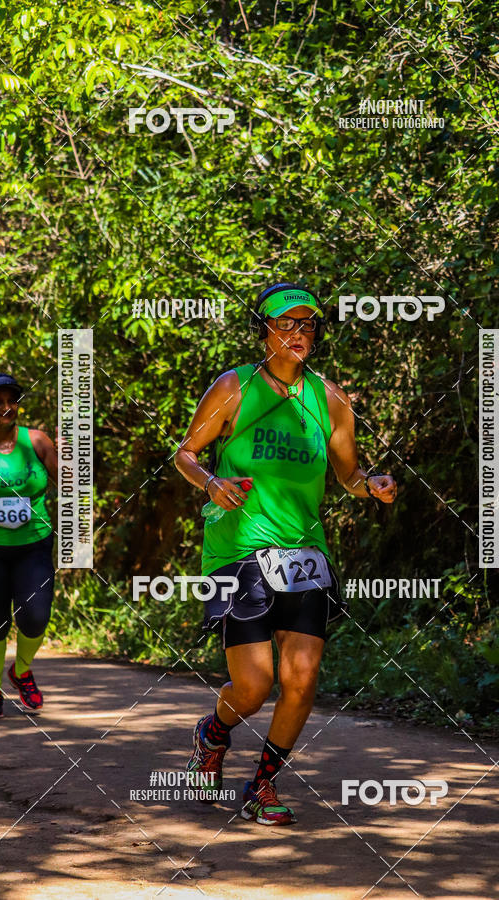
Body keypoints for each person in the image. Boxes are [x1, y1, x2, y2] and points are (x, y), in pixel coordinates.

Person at [175, 282, 397, 825]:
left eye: (307, 324)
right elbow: (186, 454)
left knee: (301, 680)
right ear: (264, 330)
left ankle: (262, 785)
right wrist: (211, 483)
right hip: (239, 551)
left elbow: (348, 474)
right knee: (254, 687)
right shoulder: (235, 387)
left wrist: (372, 486)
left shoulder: (331, 399)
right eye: (286, 323)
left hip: (304, 555)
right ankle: (213, 733)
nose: (298, 333)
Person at [0, 373, 57, 719]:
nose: (6, 407)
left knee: (35, 617)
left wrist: (70, 457)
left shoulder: (37, 440)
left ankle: (22, 670)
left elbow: (71, 485)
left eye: (11, 400)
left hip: (34, 545)